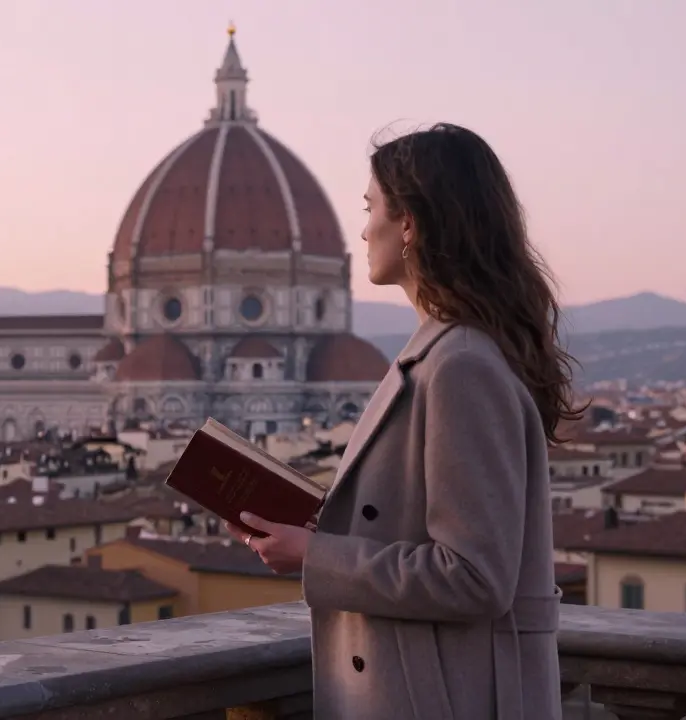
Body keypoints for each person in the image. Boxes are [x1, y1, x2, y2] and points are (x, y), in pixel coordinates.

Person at [228, 123, 581, 720]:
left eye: (372, 208)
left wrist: (316, 556)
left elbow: (474, 576)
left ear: (410, 223)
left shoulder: (461, 365)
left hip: (443, 697)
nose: (364, 229)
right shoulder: (446, 351)